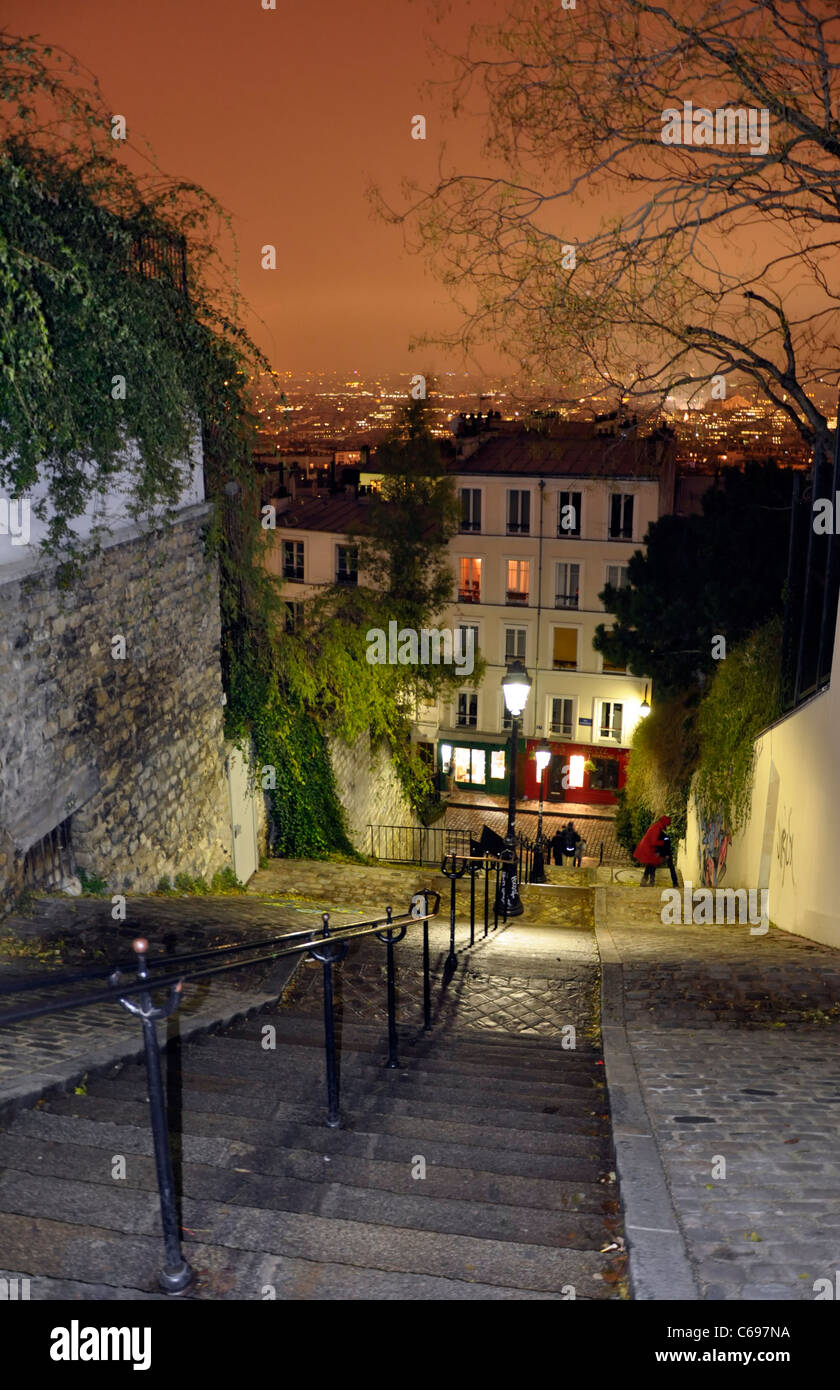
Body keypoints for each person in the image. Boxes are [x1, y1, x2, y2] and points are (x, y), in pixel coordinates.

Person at [634, 815, 673, 886]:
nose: (666, 827)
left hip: (648, 847)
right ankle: (650, 881)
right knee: (653, 863)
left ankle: (645, 880)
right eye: (666, 825)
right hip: (648, 848)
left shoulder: (656, 826)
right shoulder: (657, 828)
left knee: (651, 863)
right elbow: (653, 842)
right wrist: (663, 842)